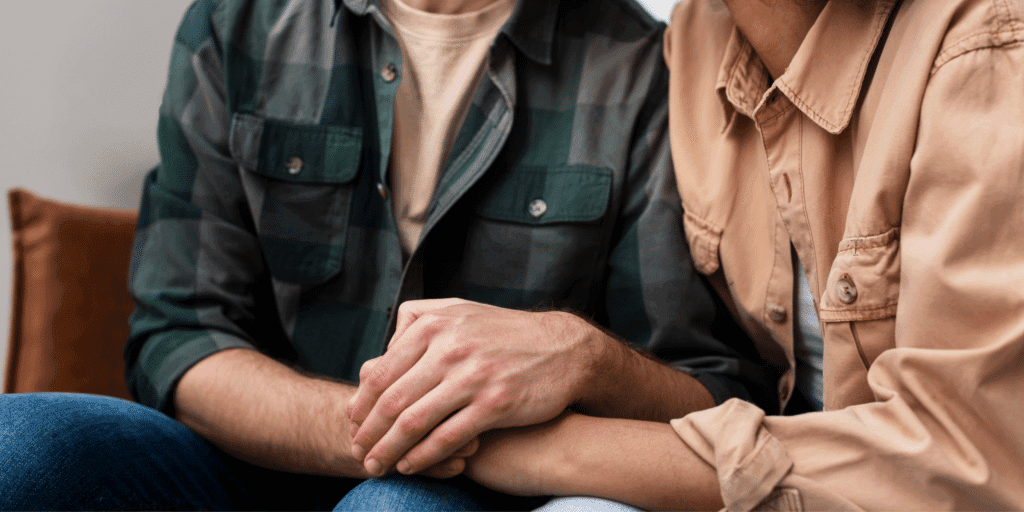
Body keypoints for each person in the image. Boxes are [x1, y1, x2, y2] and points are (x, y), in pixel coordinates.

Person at [0, 0, 772, 509]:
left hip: (483, 491)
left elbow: (710, 392)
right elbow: (179, 338)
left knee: (396, 507)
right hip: (240, 466)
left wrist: (587, 357)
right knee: (19, 444)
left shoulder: (645, 67)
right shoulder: (239, 23)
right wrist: (397, 431)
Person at [453, 0, 1024, 509]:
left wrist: (543, 451)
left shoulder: (984, 43)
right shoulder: (693, 39)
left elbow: (966, 462)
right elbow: (734, 369)